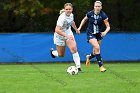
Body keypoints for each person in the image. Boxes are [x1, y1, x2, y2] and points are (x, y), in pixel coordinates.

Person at [78, 1, 110, 72]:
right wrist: (79, 28)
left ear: (101, 7)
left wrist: (105, 32)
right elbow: (84, 19)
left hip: (98, 34)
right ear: (94, 7)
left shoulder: (103, 15)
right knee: (97, 47)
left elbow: (108, 27)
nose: (97, 8)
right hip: (90, 33)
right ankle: (101, 66)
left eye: (99, 6)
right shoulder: (90, 13)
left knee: (95, 52)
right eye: (96, 6)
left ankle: (89, 57)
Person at [50, 3, 82, 71]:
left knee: (74, 48)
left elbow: (72, 22)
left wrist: (76, 30)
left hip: (68, 34)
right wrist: (67, 36)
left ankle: (78, 67)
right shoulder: (62, 18)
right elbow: (57, 30)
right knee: (61, 55)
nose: (68, 10)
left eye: (69, 9)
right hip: (59, 36)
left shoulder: (71, 15)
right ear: (64, 10)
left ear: (72, 9)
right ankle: (53, 52)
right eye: (66, 9)